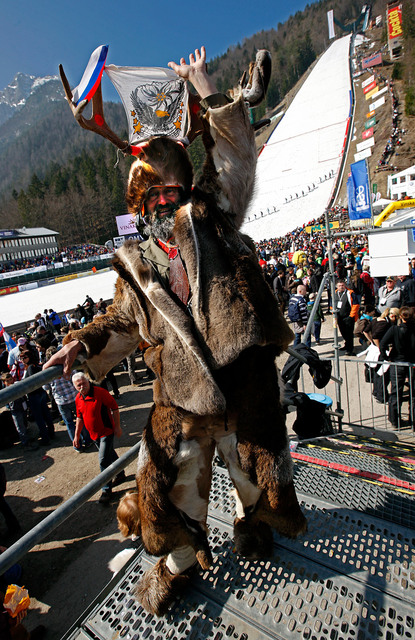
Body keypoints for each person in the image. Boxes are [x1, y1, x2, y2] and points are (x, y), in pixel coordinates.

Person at [45, 46, 305, 615]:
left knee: (251, 473)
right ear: (140, 201)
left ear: (187, 186)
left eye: (173, 187)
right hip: (181, 400)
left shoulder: (212, 212)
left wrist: (208, 90)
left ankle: (252, 526)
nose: (165, 198)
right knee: (176, 486)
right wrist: (82, 344)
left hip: (241, 388)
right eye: (153, 192)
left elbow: (235, 161)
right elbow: (120, 322)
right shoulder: (134, 262)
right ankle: (183, 559)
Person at [72, 372, 125, 503]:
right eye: (78, 385)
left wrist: (117, 426)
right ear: (74, 386)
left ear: (88, 381)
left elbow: (114, 408)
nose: (82, 387)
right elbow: (79, 417)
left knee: (103, 460)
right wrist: (76, 436)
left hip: (106, 432)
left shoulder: (100, 392)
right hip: (93, 435)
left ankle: (106, 490)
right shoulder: (78, 399)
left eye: (84, 383)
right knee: (109, 454)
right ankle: (120, 474)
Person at [380, 306, 415, 430]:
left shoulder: (394, 329)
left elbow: (383, 343)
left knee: (396, 392)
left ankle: (395, 420)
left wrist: (386, 357)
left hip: (398, 363)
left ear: (401, 317)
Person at [43, 347, 92, 451]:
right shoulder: (68, 364)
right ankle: (88, 441)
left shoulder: (47, 371)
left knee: (69, 423)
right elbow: (76, 378)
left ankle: (77, 445)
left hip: (61, 401)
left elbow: (46, 387)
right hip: (74, 397)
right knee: (81, 420)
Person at [20, 349, 55, 445]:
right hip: (41, 393)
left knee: (39, 418)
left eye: (24, 358)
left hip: (34, 395)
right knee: (46, 414)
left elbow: (32, 381)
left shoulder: (31, 367)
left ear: (29, 357)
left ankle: (45, 437)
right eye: (21, 358)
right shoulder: (36, 365)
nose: (22, 360)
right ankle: (51, 433)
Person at [1, 373, 38, 451]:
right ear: (4, 382)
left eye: (10, 379)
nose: (10, 382)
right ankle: (25, 443)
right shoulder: (5, 391)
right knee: (20, 427)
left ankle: (27, 439)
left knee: (24, 424)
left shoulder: (16, 385)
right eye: (7, 381)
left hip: (22, 407)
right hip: (15, 410)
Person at [335, 279, 359, 356]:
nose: (341, 287)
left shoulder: (350, 293)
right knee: (343, 332)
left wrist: (351, 316)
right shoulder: (335, 293)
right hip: (339, 317)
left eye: (342, 285)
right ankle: (346, 345)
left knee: (349, 334)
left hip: (348, 317)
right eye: (339, 285)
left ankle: (350, 349)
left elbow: (356, 304)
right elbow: (332, 303)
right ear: (337, 286)